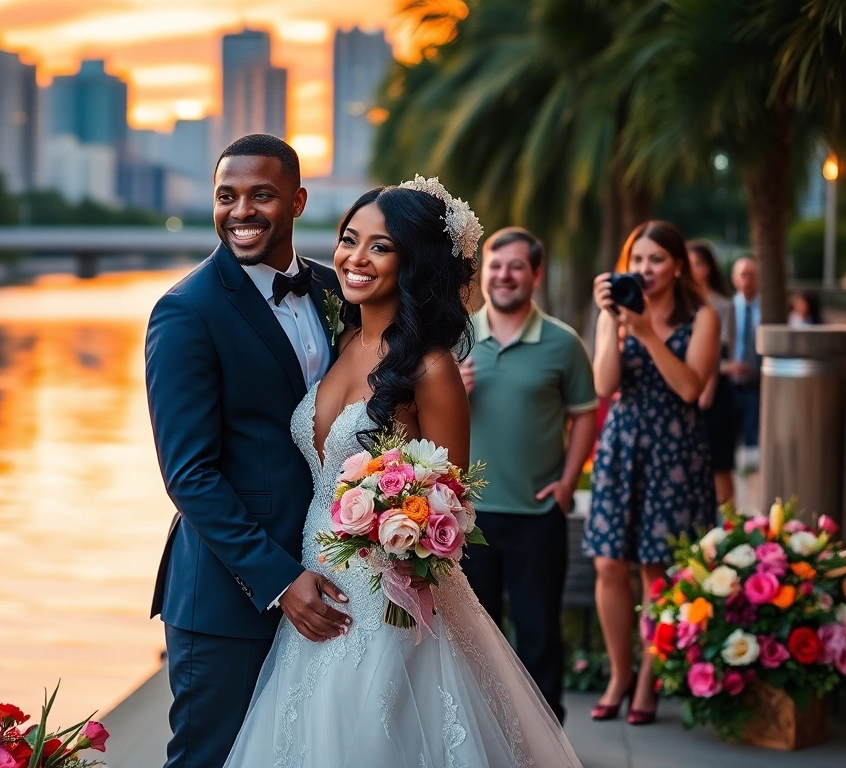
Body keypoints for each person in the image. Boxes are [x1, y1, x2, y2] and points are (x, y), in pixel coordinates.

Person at [223, 181, 581, 767]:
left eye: (379, 247)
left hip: (391, 600)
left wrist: (396, 538)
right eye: (348, 240)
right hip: (315, 580)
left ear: (413, 261)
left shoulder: (432, 367)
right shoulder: (339, 342)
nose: (354, 258)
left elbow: (452, 504)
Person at [145, 134, 349, 768]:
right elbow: (190, 475)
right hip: (229, 598)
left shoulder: (332, 291)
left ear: (296, 200)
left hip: (336, 575)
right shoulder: (186, 312)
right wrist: (280, 580)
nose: (242, 211)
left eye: (262, 195)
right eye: (226, 196)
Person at [459, 227, 597, 724]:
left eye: (517, 266)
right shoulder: (458, 339)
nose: (505, 275)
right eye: (496, 264)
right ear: (483, 272)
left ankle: (547, 741)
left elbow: (585, 412)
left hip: (538, 514)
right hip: (464, 517)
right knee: (474, 638)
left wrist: (566, 482)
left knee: (538, 635)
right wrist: (454, 389)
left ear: (535, 274)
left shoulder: (563, 343)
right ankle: (483, 738)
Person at [584, 221, 720, 726]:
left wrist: (645, 333)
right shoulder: (615, 312)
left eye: (657, 259)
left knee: (656, 570)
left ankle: (649, 677)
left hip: (675, 449)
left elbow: (689, 388)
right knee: (608, 566)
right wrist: (612, 324)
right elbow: (604, 382)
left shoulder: (702, 317)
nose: (645, 269)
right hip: (623, 444)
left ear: (678, 265)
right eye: (636, 259)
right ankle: (621, 672)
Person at [687, 240, 737, 504]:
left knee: (719, 463)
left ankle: (731, 526)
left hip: (713, 392)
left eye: (696, 264)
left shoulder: (723, 305)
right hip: (684, 389)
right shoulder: (678, 303)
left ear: (707, 268)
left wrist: (708, 386)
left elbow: (720, 350)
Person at [728, 257, 761, 453]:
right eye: (743, 275)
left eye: (752, 275)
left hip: (757, 385)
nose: (747, 280)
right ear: (735, 279)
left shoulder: (769, 309)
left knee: (753, 442)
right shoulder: (727, 308)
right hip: (730, 386)